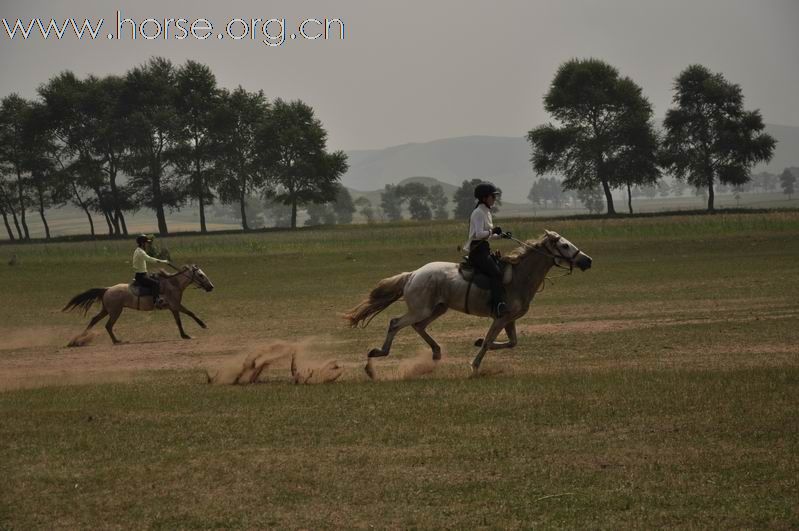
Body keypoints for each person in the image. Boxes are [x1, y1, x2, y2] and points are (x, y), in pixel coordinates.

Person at [464, 182, 509, 317]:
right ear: (484, 198)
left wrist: (501, 236)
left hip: (484, 248)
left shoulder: (486, 211)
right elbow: (479, 234)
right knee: (496, 273)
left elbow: (488, 235)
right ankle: (498, 304)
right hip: (477, 251)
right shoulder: (478, 212)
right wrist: (492, 230)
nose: (495, 199)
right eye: (492, 197)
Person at [132, 234, 169, 307]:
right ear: (142, 243)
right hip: (141, 276)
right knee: (156, 283)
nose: (147, 244)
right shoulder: (140, 252)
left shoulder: (139, 250)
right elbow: (149, 259)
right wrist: (162, 261)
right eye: (146, 243)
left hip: (143, 274)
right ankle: (156, 302)